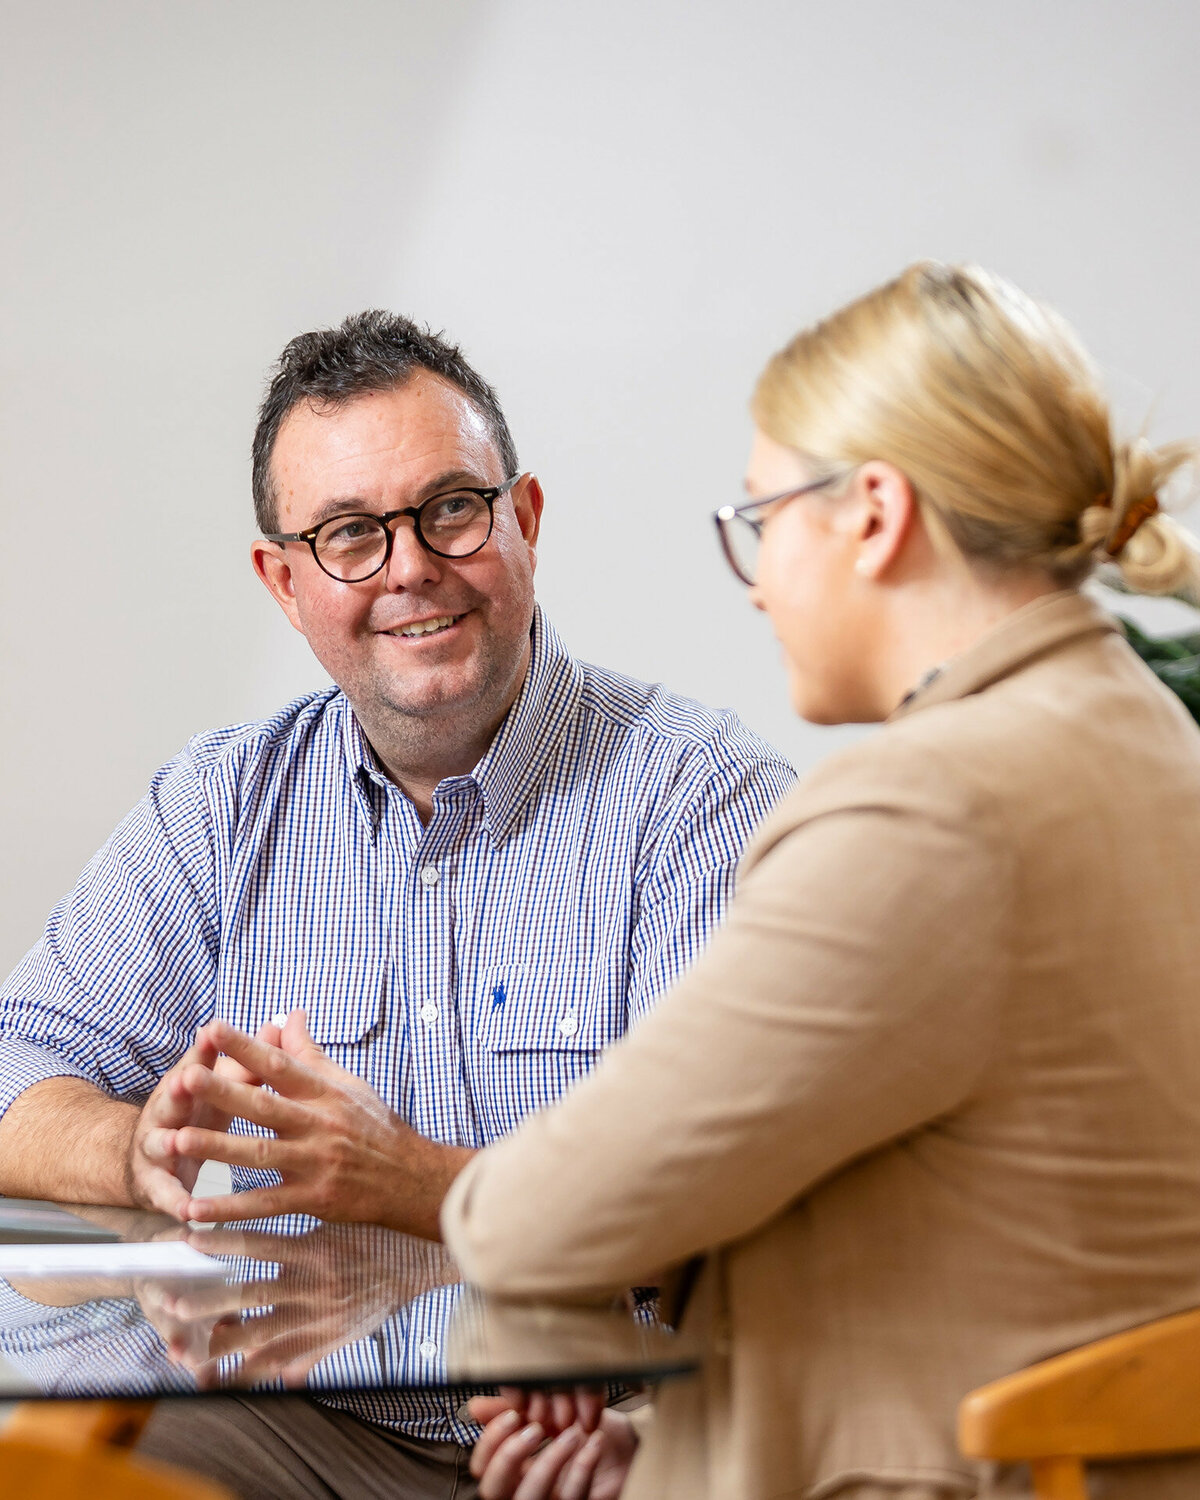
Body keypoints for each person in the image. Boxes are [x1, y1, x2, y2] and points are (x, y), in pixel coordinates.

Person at [185, 264, 1200, 1500]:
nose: (762, 581)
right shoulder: (1152, 740)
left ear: (874, 516)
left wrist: (461, 1219)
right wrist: (654, 1440)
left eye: (767, 521)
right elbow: (957, 1246)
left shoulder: (921, 812)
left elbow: (547, 1218)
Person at [0, 311, 794, 1499]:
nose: (410, 567)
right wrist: (135, 1142)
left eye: (450, 511)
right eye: (349, 536)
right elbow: (20, 1063)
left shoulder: (700, 802)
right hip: (295, 1423)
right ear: (283, 581)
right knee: (48, 1467)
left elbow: (740, 1198)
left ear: (523, 521)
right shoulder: (221, 806)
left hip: (608, 1431)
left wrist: (409, 1176)